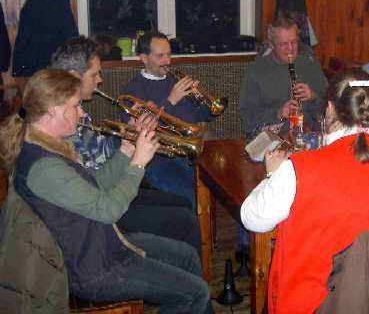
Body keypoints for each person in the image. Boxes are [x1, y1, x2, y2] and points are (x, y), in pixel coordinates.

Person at [0, 70, 211, 313]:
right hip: (94, 270)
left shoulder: (47, 146)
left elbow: (94, 185)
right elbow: (109, 210)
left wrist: (127, 149)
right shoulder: (44, 168)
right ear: (55, 110)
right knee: (195, 292)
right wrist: (138, 165)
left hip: (105, 244)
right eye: (76, 105)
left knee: (187, 256)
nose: (81, 112)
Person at [241, 69, 369, 314]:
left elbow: (252, 219)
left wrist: (272, 173)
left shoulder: (300, 168)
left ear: (329, 109)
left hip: (315, 304)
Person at [49, 36, 202, 254]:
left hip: (111, 184)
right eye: (95, 74)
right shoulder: (65, 119)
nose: (100, 80)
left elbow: (100, 155)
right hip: (103, 205)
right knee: (185, 218)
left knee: (182, 204)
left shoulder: (75, 108)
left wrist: (131, 135)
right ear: (74, 77)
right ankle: (184, 272)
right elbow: (96, 179)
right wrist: (132, 145)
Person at [121, 31, 215, 210]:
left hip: (192, 150)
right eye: (160, 56)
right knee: (192, 198)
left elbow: (204, 116)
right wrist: (171, 100)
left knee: (220, 187)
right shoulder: (132, 89)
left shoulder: (176, 81)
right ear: (143, 58)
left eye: (169, 54)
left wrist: (204, 100)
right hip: (160, 158)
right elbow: (142, 130)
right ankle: (198, 236)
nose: (168, 61)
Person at [239, 13, 328, 138]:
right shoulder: (256, 70)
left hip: (308, 137)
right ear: (271, 45)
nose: (290, 49)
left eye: (294, 42)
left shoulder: (310, 65)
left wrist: (313, 96)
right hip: (272, 140)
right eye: (283, 44)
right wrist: (278, 113)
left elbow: (331, 107)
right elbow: (247, 118)